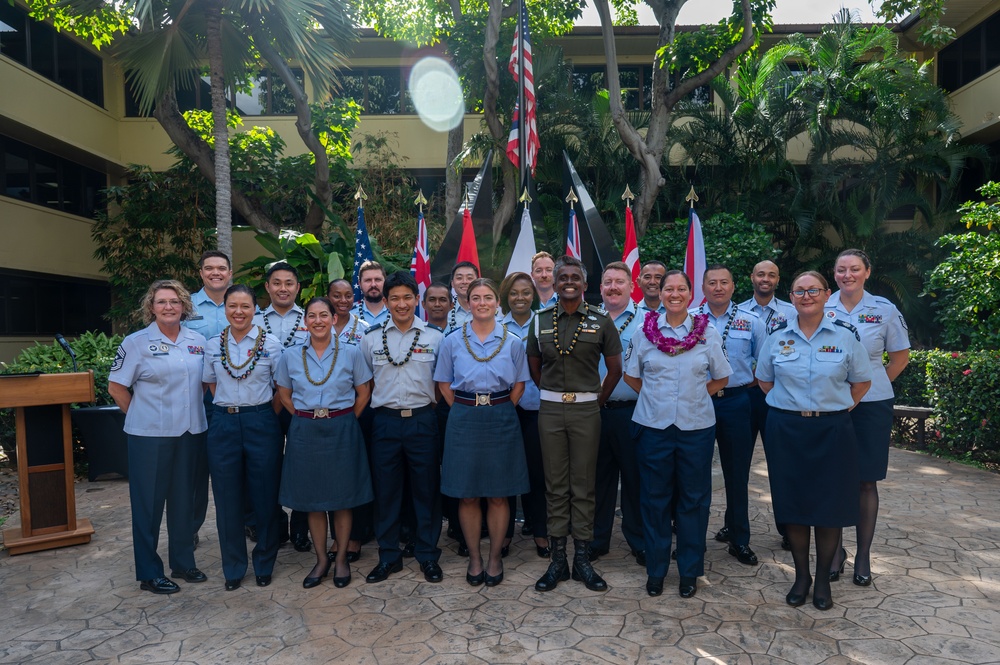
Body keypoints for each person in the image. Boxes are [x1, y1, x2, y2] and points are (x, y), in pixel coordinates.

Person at [755, 271, 872, 611]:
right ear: (791, 297)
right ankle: (801, 576)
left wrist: (834, 407)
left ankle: (823, 580)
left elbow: (861, 382)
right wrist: (793, 406)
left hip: (832, 431)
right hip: (787, 430)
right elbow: (764, 380)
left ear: (826, 294)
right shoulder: (777, 337)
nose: (806, 296)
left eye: (814, 290)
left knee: (828, 507)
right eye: (799, 291)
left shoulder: (845, 336)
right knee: (793, 505)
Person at [624, 270, 731, 598]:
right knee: (655, 500)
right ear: (660, 291)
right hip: (654, 428)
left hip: (695, 428)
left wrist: (695, 395)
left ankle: (689, 570)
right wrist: (658, 400)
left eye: (680, 289)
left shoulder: (707, 333)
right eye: (668, 288)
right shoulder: (644, 333)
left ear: (690, 294)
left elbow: (721, 377)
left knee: (694, 501)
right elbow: (632, 377)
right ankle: (656, 571)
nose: (673, 294)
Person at [527, 255, 622, 593]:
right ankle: (557, 560)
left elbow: (614, 370)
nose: (568, 281)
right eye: (562, 276)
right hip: (551, 411)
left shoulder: (600, 321)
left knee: (583, 485)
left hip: (586, 412)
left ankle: (582, 558)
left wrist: (595, 401)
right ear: (553, 283)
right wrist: (555, 396)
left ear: (584, 285)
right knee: (555, 485)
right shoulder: (539, 322)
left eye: (575, 277)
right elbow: (534, 366)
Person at [108, 280, 209, 595]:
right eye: (162, 302)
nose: (169, 307)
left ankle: (183, 563)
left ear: (184, 307)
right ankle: (150, 572)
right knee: (148, 506)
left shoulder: (197, 341)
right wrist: (142, 414)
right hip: (149, 437)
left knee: (184, 501)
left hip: (190, 432)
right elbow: (116, 387)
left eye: (175, 302)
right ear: (151, 307)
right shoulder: (136, 342)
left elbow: (203, 384)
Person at [434, 278, 530, 587]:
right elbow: (444, 385)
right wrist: (466, 407)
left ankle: (494, 557)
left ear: (497, 303)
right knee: (468, 494)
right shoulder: (451, 341)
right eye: (476, 297)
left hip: (501, 417)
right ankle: (475, 557)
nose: (482, 302)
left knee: (500, 495)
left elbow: (519, 385)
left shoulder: (513, 341)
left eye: (488, 297)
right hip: (464, 417)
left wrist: (498, 407)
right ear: (468, 302)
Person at [275, 297, 374, 589]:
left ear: (334, 319)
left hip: (342, 427)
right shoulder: (290, 355)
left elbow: (363, 393)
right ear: (305, 322)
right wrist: (306, 417)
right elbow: (284, 395)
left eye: (324, 315)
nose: (318, 321)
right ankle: (321, 560)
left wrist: (343, 419)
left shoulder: (352, 352)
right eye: (312, 316)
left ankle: (341, 557)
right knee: (313, 501)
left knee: (342, 499)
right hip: (305, 430)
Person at [827, 249, 909, 586]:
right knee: (831, 479)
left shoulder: (884, 311)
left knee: (865, 480)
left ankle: (862, 555)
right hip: (830, 403)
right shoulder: (821, 307)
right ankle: (835, 552)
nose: (848, 275)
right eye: (841, 270)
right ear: (834, 275)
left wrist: (869, 388)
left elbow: (900, 358)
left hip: (872, 404)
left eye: (855, 269)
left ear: (867, 272)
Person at [361, 271, 446, 584]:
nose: (401, 303)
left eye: (407, 297)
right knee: (386, 492)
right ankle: (388, 556)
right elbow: (366, 382)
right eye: (394, 298)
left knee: (426, 490)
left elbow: (441, 382)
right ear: (385, 301)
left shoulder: (435, 338)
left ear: (417, 301)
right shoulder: (370, 338)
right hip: (384, 422)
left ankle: (427, 554)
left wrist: (428, 408)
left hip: (423, 420)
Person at [202, 284, 285, 591]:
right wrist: (231, 409)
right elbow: (210, 385)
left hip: (261, 420)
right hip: (224, 423)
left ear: (254, 310)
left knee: (265, 496)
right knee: (227, 499)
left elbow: (282, 389)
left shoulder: (271, 345)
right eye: (232, 306)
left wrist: (259, 413)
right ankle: (233, 567)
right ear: (225, 309)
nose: (239, 312)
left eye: (245, 306)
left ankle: (264, 562)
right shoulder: (213, 345)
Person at [694, 265, 767, 566]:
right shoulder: (689, 321)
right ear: (703, 286)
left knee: (737, 474)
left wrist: (739, 385)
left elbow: (762, 366)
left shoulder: (752, 321)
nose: (718, 287)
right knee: (695, 475)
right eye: (712, 282)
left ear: (734, 286)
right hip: (698, 402)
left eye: (724, 282)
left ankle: (739, 539)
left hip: (737, 403)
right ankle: (692, 541)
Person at [252, 262, 310, 553]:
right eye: (277, 283)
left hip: (302, 404)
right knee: (267, 466)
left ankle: (301, 526)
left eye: (289, 283)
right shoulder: (254, 322)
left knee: (302, 465)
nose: (283, 288)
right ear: (267, 287)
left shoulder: (312, 319)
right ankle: (275, 524)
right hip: (266, 405)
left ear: (298, 288)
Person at [739, 259, 797, 550]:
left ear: (777, 279)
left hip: (778, 396)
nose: (765, 279)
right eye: (760, 273)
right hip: (745, 396)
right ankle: (734, 524)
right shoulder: (737, 313)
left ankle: (788, 528)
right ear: (752, 277)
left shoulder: (791, 311)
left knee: (781, 463)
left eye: (771, 274)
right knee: (738, 464)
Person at [591, 262, 646, 566]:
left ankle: (638, 540)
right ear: (600, 288)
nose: (613, 287)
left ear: (631, 285)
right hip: (594, 413)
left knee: (635, 479)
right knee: (598, 480)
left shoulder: (647, 321)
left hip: (632, 412)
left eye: (619, 282)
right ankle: (598, 540)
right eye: (607, 282)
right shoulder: (588, 319)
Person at [183, 250, 232, 549]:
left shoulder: (243, 304)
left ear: (230, 272)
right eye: (209, 268)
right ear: (200, 272)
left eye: (222, 268)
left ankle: (246, 522)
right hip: (197, 404)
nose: (216, 273)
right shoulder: (186, 307)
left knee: (236, 469)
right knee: (195, 471)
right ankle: (189, 527)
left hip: (234, 404)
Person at [499, 272, 549, 558]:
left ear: (534, 295)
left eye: (526, 292)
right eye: (515, 293)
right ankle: (504, 534)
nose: (520, 298)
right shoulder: (495, 325)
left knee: (537, 474)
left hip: (536, 409)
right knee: (505, 473)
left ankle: (540, 532)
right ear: (506, 295)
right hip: (504, 410)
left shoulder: (544, 323)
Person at [325, 278, 371, 564]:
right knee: (331, 478)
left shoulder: (364, 331)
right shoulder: (316, 326)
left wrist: (350, 416)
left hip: (357, 414)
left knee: (356, 474)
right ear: (328, 297)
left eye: (347, 295)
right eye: (336, 295)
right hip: (324, 418)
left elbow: (368, 380)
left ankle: (356, 536)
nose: (342, 300)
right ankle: (335, 537)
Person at [352, 260, 389, 327]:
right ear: (360, 284)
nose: (373, 285)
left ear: (385, 282)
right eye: (368, 280)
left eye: (378, 280)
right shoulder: (350, 316)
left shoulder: (396, 312)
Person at [445, 261, 479, 334]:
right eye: (459, 278)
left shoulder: (489, 310)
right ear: (452, 284)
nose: (464, 282)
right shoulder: (444, 311)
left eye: (469, 278)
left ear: (477, 282)